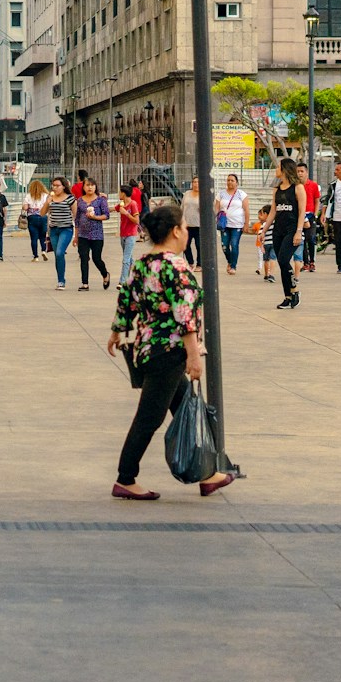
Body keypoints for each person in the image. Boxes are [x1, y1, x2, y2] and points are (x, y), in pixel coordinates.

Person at [106, 203, 237, 501]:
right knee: (149, 418)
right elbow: (185, 315)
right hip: (170, 351)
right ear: (176, 231)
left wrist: (117, 331)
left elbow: (127, 300)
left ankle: (208, 473)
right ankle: (126, 478)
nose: (188, 232)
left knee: (189, 410)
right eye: (185, 227)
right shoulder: (176, 266)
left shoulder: (142, 263)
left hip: (148, 348)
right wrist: (193, 356)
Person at [270, 158, 305, 309]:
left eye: (278, 167)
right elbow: (273, 211)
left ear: (284, 169)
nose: (276, 169)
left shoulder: (298, 188)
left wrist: (299, 231)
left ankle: (295, 290)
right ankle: (288, 296)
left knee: (284, 260)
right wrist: (263, 230)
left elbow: (302, 211)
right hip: (278, 230)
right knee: (281, 262)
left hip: (292, 230)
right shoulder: (276, 189)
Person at [73, 179, 112, 291]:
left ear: (95, 187)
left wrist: (95, 217)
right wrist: (76, 237)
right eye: (87, 185)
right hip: (82, 235)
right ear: (84, 187)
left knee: (96, 258)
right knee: (84, 258)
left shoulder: (101, 200)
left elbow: (106, 215)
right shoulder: (80, 201)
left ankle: (105, 274)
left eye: (92, 185)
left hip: (97, 235)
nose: (90, 187)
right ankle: (85, 283)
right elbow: (77, 220)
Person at [214, 174, 248, 276]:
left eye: (232, 180)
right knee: (224, 246)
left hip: (237, 224)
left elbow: (246, 210)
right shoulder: (221, 194)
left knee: (234, 244)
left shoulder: (242, 194)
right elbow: (216, 208)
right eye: (228, 180)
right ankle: (229, 261)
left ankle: (233, 266)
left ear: (236, 182)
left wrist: (246, 223)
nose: (230, 182)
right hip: (224, 224)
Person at [46, 177, 76, 289]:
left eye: (57, 185)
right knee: (57, 256)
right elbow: (42, 213)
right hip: (53, 230)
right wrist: (47, 202)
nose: (55, 187)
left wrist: (76, 234)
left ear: (64, 186)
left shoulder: (70, 198)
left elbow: (75, 215)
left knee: (59, 253)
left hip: (66, 229)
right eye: (53, 185)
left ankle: (62, 281)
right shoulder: (51, 198)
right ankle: (60, 280)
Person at [114, 183, 141, 283]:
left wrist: (126, 213)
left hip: (131, 234)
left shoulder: (133, 204)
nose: (118, 194)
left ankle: (123, 281)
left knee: (125, 259)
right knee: (129, 258)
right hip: (123, 234)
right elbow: (112, 209)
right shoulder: (121, 204)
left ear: (124, 193)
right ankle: (137, 275)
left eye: (120, 192)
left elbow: (137, 221)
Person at [297, 163, 320, 272]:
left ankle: (312, 262)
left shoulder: (313, 185)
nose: (300, 174)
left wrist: (315, 214)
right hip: (299, 215)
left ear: (306, 172)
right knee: (302, 239)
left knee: (311, 238)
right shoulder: (296, 186)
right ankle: (305, 262)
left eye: (302, 171)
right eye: (298, 171)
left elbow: (317, 200)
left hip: (310, 215)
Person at [22, 179, 50, 261]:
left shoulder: (29, 195)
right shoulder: (45, 195)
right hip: (43, 217)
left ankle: (35, 256)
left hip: (32, 218)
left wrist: (25, 206)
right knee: (43, 236)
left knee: (33, 238)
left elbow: (25, 207)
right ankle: (44, 251)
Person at [180, 176, 201, 269]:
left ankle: (199, 264)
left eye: (198, 182)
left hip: (199, 225)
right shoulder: (187, 194)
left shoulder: (204, 195)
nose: (196, 184)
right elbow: (182, 207)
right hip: (187, 224)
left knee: (199, 245)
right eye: (194, 182)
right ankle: (190, 262)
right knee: (185, 244)